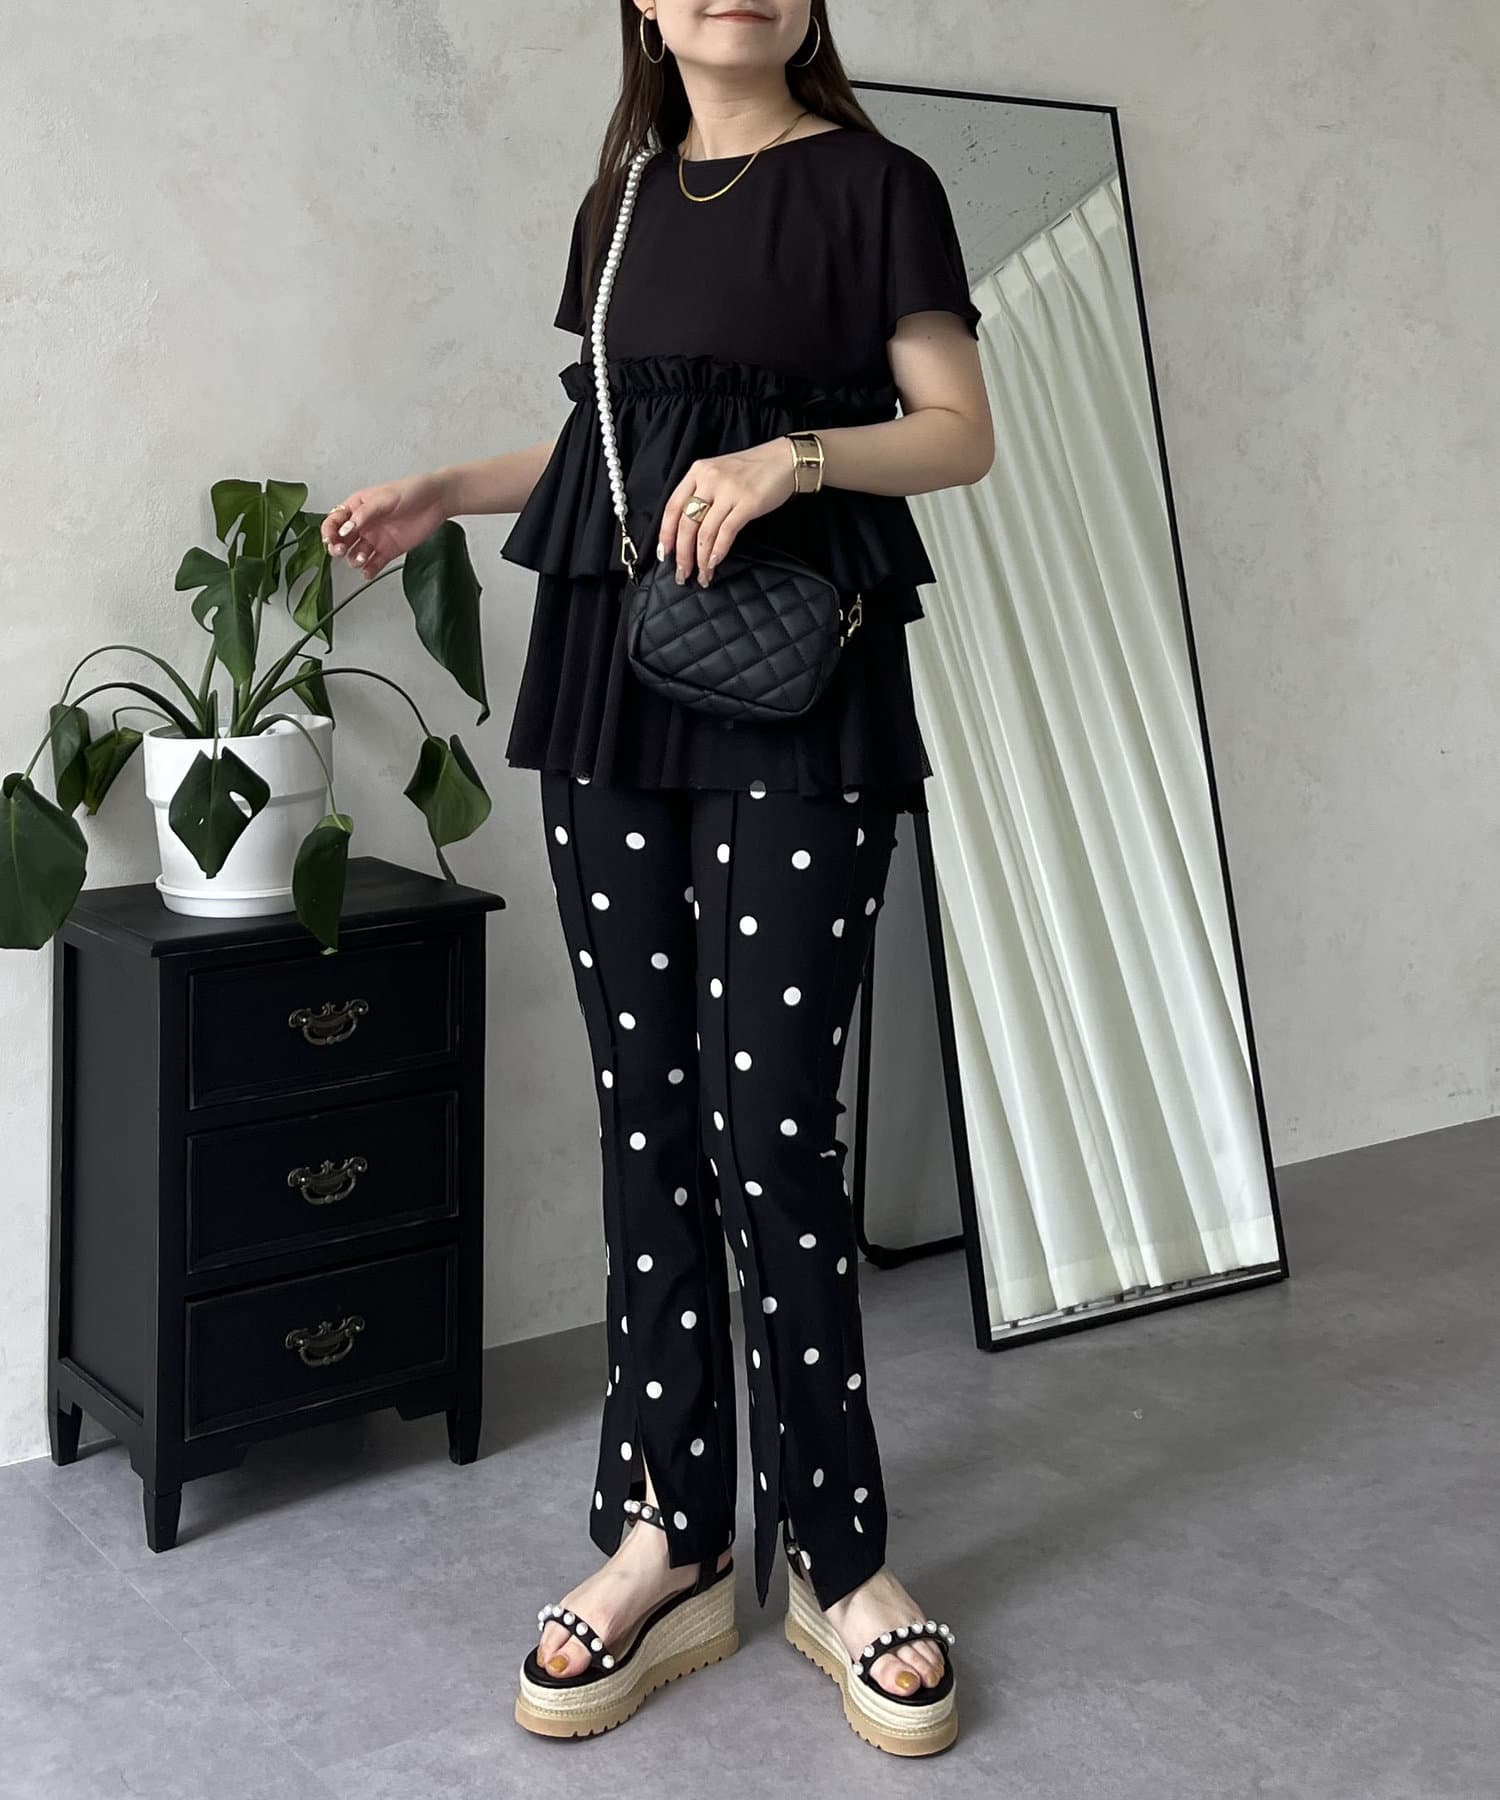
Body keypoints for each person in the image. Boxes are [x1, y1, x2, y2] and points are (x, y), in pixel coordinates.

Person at [321, 0, 992, 1758]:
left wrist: (798, 457)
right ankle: (667, 1535)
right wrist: (444, 488)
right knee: (653, 1123)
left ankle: (838, 1556)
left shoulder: (877, 187)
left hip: (803, 683)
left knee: (772, 1130)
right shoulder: (620, 200)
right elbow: (613, 447)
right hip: (615, 679)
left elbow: (960, 430)